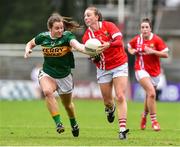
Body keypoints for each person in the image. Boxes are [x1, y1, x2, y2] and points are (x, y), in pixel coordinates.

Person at [24, 12, 102, 137]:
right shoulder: (43, 37)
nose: (60, 30)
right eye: (57, 28)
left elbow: (78, 46)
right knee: (47, 92)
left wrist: (90, 50)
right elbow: (30, 43)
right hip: (47, 73)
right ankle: (58, 123)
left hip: (64, 76)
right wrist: (27, 49)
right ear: (50, 28)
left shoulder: (67, 37)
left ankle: (74, 123)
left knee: (68, 105)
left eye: (61, 27)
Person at [82, 6, 129, 140]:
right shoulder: (87, 36)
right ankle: (110, 109)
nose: (86, 18)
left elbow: (119, 42)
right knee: (108, 101)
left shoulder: (109, 26)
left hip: (119, 64)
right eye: (85, 16)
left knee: (120, 95)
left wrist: (109, 44)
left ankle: (122, 129)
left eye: (89, 15)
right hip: (103, 69)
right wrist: (93, 56)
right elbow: (90, 55)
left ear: (97, 17)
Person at [127, 18, 169, 131]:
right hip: (140, 70)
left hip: (155, 72)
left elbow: (166, 55)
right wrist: (133, 52)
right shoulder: (137, 39)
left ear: (150, 28)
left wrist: (153, 52)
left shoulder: (157, 40)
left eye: (146, 27)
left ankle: (144, 116)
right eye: (142, 27)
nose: (144, 29)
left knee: (149, 96)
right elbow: (129, 46)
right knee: (151, 93)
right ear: (140, 29)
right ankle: (154, 121)